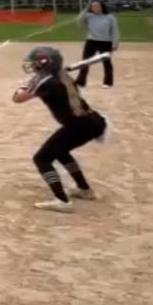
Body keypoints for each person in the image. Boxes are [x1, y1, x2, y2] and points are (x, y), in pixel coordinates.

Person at [12, 46, 107, 212]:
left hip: (79, 125)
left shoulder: (47, 83)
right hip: (92, 122)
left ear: (44, 64)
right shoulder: (61, 76)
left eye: (35, 63)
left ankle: (62, 201)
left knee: (41, 159)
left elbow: (18, 99)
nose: (32, 65)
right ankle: (85, 190)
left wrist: (23, 86)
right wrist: (34, 81)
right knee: (60, 152)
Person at [75, 0, 118, 88]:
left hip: (105, 42)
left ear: (102, 7)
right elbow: (78, 21)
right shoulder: (88, 16)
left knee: (106, 63)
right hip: (91, 41)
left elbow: (115, 31)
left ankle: (107, 82)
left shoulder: (110, 17)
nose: (95, 8)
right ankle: (81, 82)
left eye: (97, 6)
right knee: (85, 61)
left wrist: (115, 43)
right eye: (93, 6)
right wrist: (86, 9)